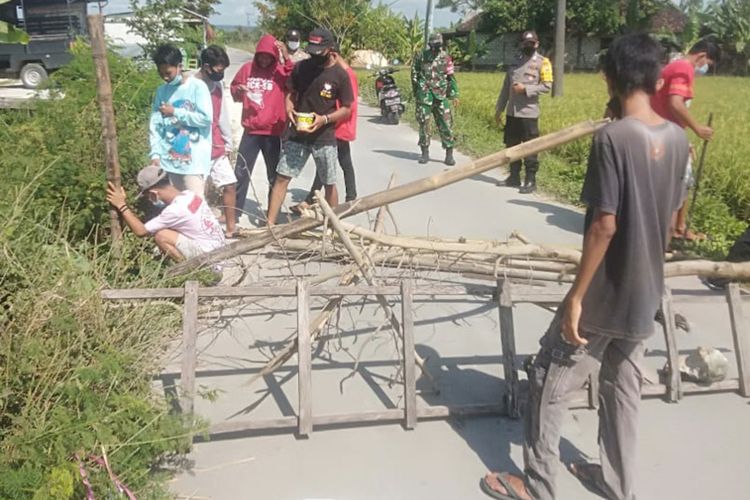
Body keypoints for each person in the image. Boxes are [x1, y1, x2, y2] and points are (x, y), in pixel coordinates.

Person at [480, 33, 689, 500]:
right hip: (645, 294)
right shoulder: (677, 139)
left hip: (604, 296)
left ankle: (536, 485)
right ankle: (618, 485)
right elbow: (673, 216)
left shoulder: (612, 138)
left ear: (608, 78)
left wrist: (576, 296)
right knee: (622, 391)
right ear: (657, 79)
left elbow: (604, 226)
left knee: (548, 381)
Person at [266, 27, 354, 226]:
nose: (314, 56)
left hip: (324, 137)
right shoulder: (301, 68)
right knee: (282, 177)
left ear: (330, 49)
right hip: (298, 134)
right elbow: (291, 91)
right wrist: (288, 106)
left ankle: (333, 227)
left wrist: (324, 119)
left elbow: (347, 108)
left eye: (319, 52)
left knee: (330, 183)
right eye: (312, 51)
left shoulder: (340, 75)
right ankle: (270, 225)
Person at [651, 38, 721, 241]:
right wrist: (698, 128)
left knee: (683, 181)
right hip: (666, 135)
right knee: (679, 183)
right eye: (708, 64)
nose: (705, 69)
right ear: (701, 56)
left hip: (666, 132)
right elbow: (675, 103)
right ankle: (669, 232)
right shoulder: (684, 68)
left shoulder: (676, 66)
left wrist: (685, 140)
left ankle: (678, 227)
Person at [230, 34, 293, 223]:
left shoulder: (280, 71)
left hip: (273, 132)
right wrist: (238, 91)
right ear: (256, 55)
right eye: (261, 56)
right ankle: (235, 210)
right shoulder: (247, 69)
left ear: (274, 56)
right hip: (251, 131)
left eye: (269, 56)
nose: (265, 60)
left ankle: (271, 214)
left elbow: (295, 77)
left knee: (273, 175)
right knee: (241, 172)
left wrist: (286, 56)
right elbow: (234, 89)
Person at [106, 166, 226, 261]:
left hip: (210, 262)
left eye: (147, 195)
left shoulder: (175, 211)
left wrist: (122, 205)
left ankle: (193, 273)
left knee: (162, 235)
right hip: (220, 256)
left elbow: (141, 231)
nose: (148, 199)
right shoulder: (190, 196)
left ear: (153, 193)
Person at [295, 47, 359, 208]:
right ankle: (313, 198)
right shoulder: (347, 72)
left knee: (339, 163)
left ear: (334, 55)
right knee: (326, 164)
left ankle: (350, 197)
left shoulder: (343, 75)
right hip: (337, 125)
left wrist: (329, 120)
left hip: (338, 126)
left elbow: (346, 105)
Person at [149, 44, 213, 196]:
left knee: (195, 207)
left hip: (194, 163)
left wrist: (175, 112)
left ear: (179, 66)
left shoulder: (198, 87)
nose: (165, 77)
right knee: (175, 208)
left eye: (168, 73)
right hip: (169, 162)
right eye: (161, 73)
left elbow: (206, 119)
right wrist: (155, 155)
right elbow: (155, 126)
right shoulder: (161, 91)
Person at [495, 31, 553, 194]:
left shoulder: (543, 62)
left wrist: (526, 89)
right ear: (521, 44)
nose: (529, 46)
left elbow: (547, 86)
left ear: (537, 44)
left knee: (530, 148)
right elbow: (506, 88)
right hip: (512, 113)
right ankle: (513, 177)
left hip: (529, 114)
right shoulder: (515, 62)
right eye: (526, 43)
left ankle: (530, 180)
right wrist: (499, 109)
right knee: (511, 146)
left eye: (532, 43)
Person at [195, 45, 238, 237]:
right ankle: (198, 230)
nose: (221, 74)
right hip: (195, 148)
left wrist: (228, 143)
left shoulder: (217, 86)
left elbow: (221, 116)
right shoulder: (191, 85)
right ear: (206, 66)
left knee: (229, 184)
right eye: (219, 70)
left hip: (217, 146)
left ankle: (231, 228)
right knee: (196, 193)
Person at [411, 32, 459, 166]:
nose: (436, 47)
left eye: (438, 44)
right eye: (434, 44)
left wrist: (454, 94)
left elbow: (451, 77)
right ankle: (424, 153)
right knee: (424, 124)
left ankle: (449, 154)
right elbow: (414, 74)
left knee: (446, 124)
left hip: (441, 95)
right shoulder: (422, 56)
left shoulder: (446, 58)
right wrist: (417, 92)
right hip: (425, 95)